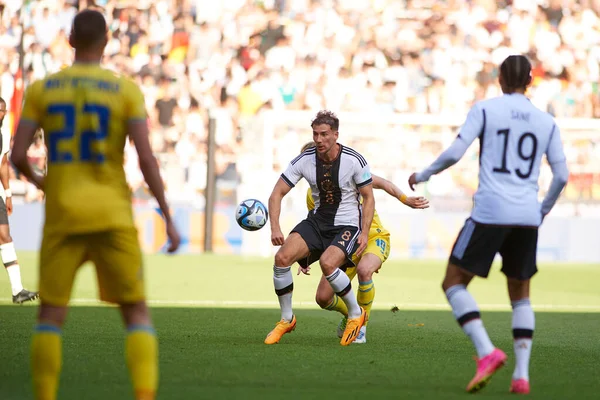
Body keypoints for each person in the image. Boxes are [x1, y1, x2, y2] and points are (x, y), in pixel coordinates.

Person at [11, 10, 180, 400]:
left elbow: (18, 154)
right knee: (135, 312)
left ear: (70, 40)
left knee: (51, 316)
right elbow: (146, 160)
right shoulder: (125, 91)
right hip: (112, 214)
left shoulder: (42, 89)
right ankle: (143, 395)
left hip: (63, 214)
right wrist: (167, 216)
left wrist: (43, 183)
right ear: (106, 42)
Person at [408, 55, 569, 395]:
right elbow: (562, 176)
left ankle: (486, 351)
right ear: (529, 81)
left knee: (453, 282)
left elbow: (455, 152)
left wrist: (423, 174)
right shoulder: (546, 121)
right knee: (520, 294)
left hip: (490, 212)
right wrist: (541, 211)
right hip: (527, 215)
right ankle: (522, 377)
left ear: (499, 79)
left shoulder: (485, 110)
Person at [297, 142, 429, 344]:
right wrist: (306, 257)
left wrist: (405, 199)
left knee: (365, 270)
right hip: (346, 244)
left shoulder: (350, 173)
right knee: (323, 298)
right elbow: (320, 229)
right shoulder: (312, 196)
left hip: (373, 237)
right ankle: (353, 314)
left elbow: (383, 183)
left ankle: (360, 328)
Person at [266, 110, 374, 346]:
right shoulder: (304, 160)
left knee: (328, 263)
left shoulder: (354, 160)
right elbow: (277, 193)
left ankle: (356, 314)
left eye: (324, 134)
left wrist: (364, 232)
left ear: (335, 135)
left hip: (347, 224)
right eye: (315, 134)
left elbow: (368, 196)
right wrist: (275, 227)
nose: (318, 139)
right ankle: (287, 319)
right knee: (282, 257)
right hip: (317, 222)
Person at [0, 97, 38, 304]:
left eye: (4, 110)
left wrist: (7, 193)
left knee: (5, 236)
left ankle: (17, 291)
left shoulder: (4, 134)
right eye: (0, 110)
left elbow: (3, 164)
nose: (3, 114)